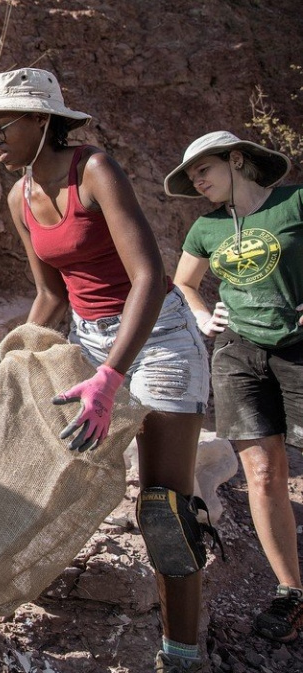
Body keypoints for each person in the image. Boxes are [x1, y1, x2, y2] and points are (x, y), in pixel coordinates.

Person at [0, 69, 214, 673]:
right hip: (90, 339)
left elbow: (150, 276)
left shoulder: (93, 169)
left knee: (164, 509)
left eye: (3, 123)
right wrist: (8, 356)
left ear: (43, 120)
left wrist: (111, 378)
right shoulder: (19, 197)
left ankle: (183, 656)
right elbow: (51, 298)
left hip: (159, 335)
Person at [166, 130, 303, 643]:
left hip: (299, 346)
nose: (197, 181)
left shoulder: (295, 203)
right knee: (264, 472)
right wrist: (203, 316)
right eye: (191, 177)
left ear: (237, 159)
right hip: (238, 354)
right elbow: (183, 282)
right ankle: (292, 594)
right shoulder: (206, 227)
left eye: (204, 169)